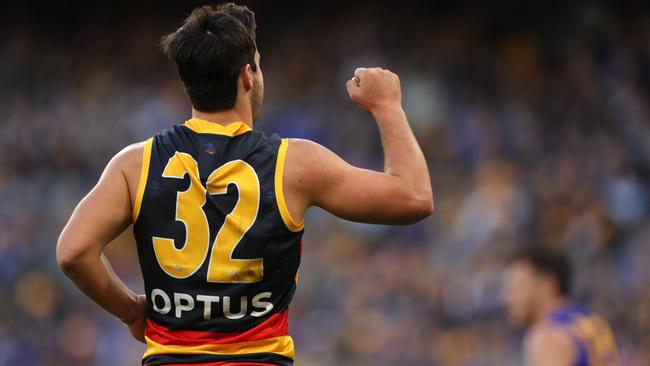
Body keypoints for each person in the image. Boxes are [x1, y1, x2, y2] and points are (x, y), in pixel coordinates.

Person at [55, 3, 433, 366]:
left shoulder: (136, 163)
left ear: (189, 85)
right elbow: (414, 197)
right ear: (248, 76)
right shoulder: (293, 163)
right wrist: (387, 107)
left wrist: (132, 312)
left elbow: (73, 252)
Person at [503, 246, 621, 366]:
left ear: (547, 285)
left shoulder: (547, 336)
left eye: (516, 289)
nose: (508, 299)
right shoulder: (594, 322)